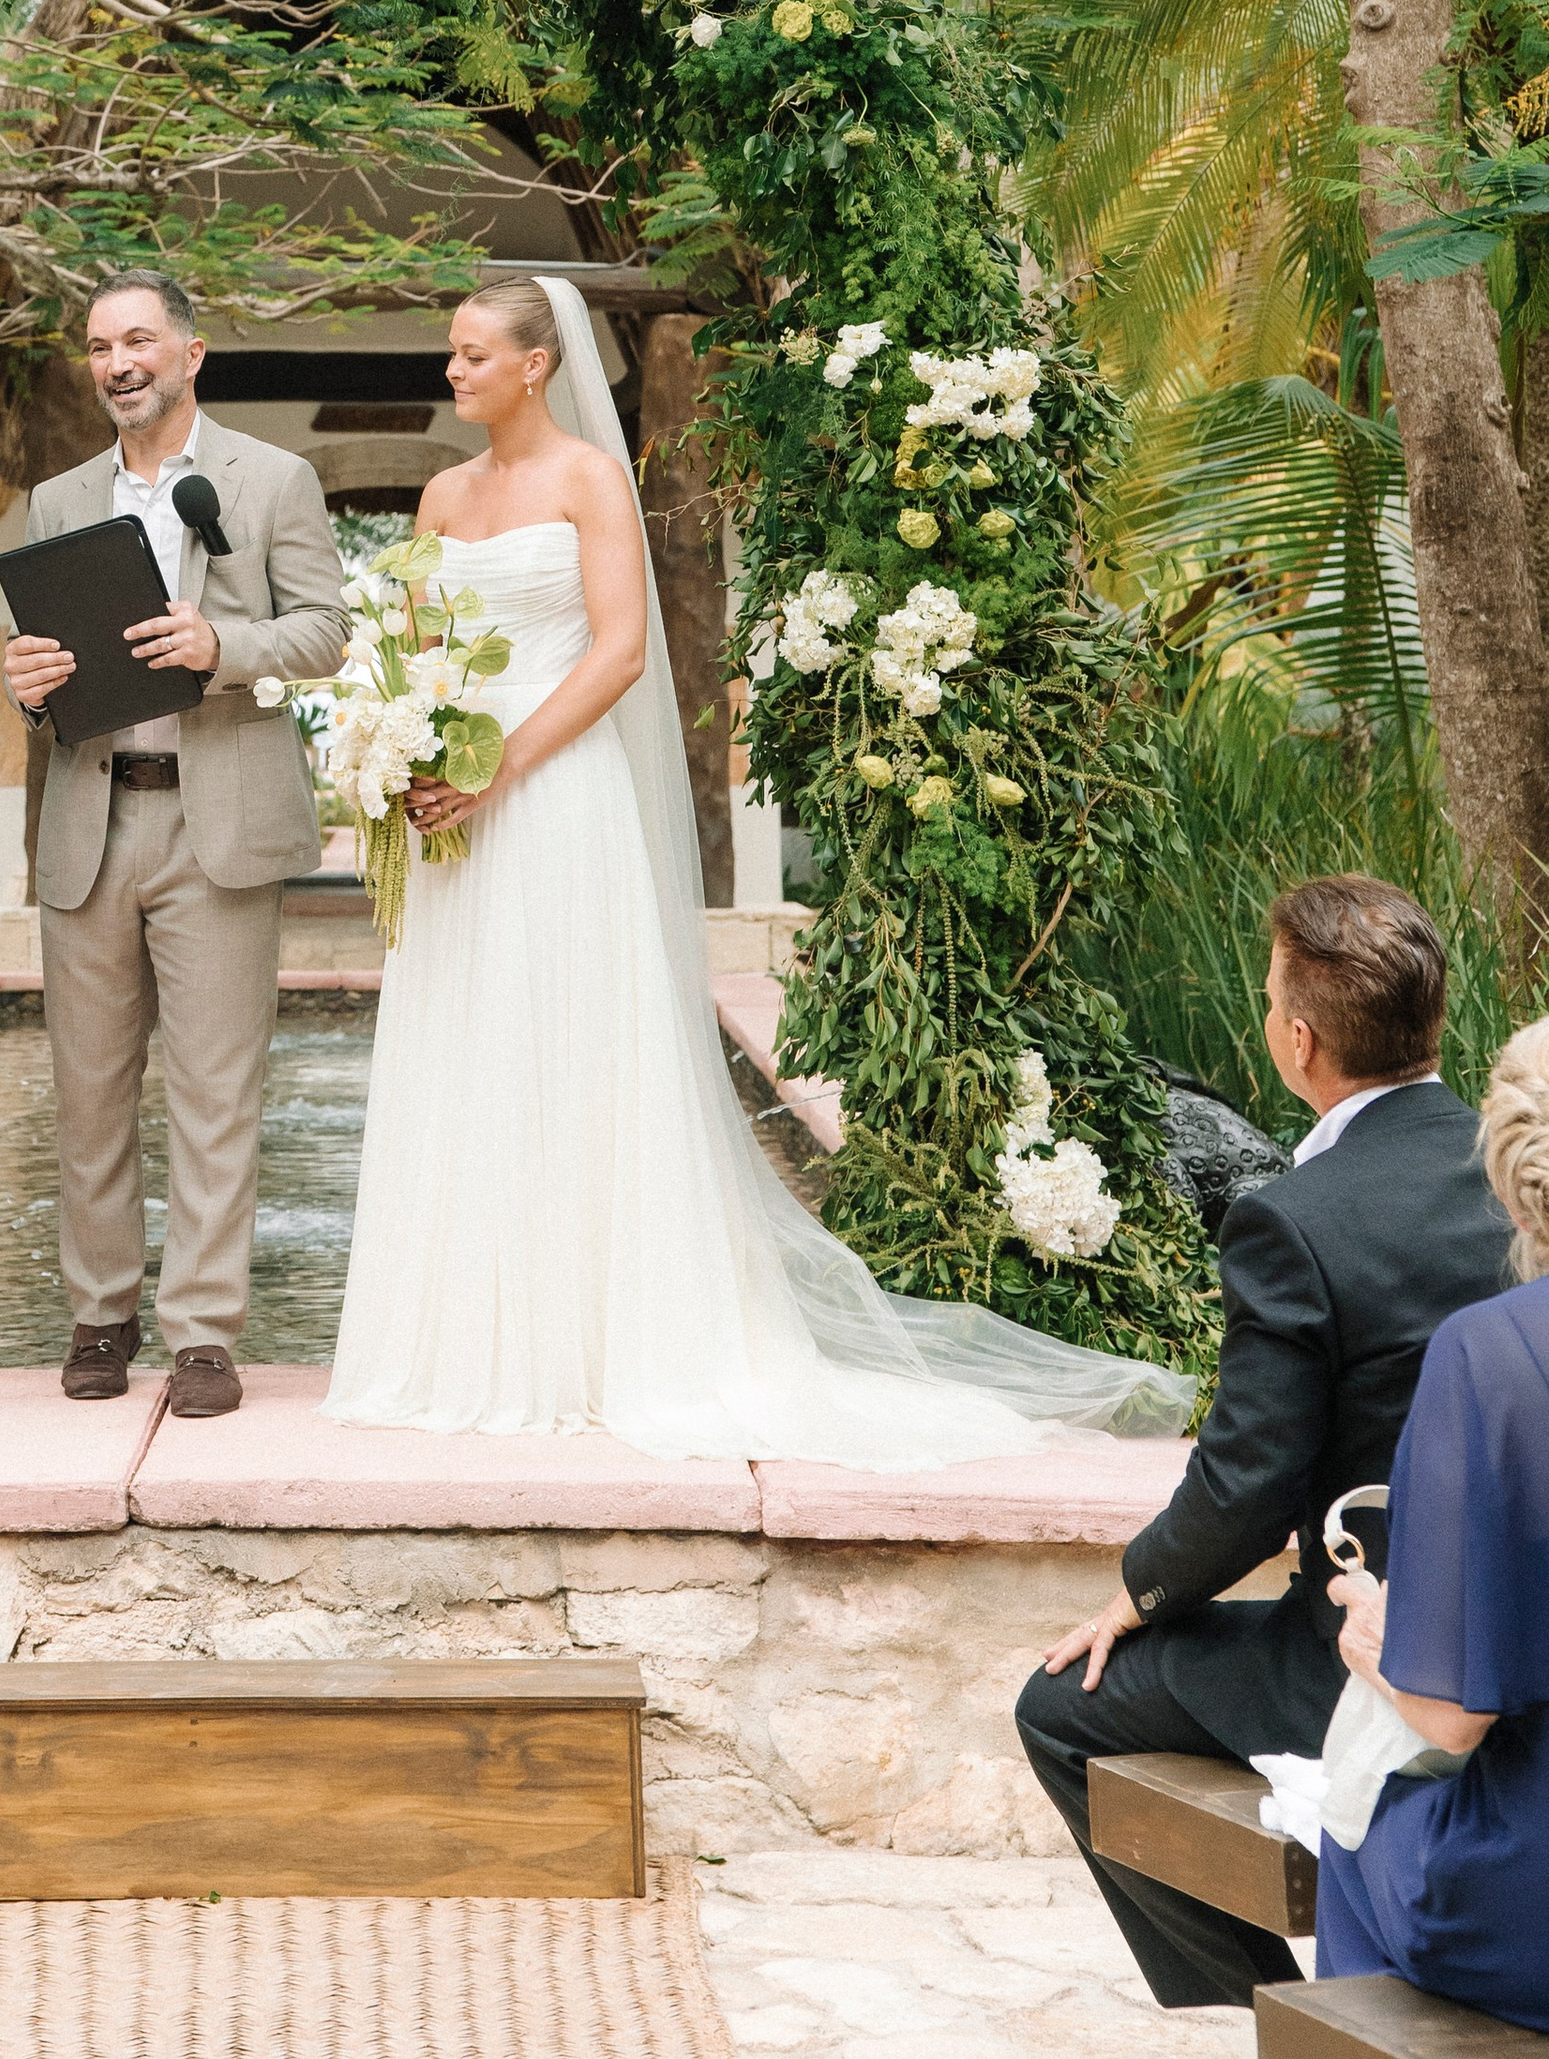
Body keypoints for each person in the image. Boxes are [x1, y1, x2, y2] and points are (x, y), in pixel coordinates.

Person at [326, 271, 1192, 1457]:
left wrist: (502, 763)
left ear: (535, 364)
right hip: (454, 808)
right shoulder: (437, 492)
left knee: (569, 1047)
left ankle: (591, 1339)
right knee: (470, 1042)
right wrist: (408, 742)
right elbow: (409, 643)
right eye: (450, 353)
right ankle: (468, 1339)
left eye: (472, 353)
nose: (451, 370)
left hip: (551, 792)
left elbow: (622, 650)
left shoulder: (588, 478)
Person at [1014, 874, 1510, 2012]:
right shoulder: (1509, 1167)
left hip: (1367, 1650)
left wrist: (1136, 1594)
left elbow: (1247, 1480)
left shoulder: (1293, 1216)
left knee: (1058, 1704)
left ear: (1296, 1038)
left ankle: (1255, 2013)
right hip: (1512, 1624)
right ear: (1431, 1021)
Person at [2, 270, 348, 1417]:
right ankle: (100, 1315)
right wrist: (29, 686)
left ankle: (203, 1333)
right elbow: (47, 682)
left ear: (190, 352)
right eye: (100, 344)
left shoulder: (272, 478)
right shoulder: (56, 500)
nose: (118, 361)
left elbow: (326, 632)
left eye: (139, 339)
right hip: (89, 822)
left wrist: (223, 643)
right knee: (89, 1090)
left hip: (222, 826)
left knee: (215, 1091)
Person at [1314, 1015, 1549, 2025]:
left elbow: (1455, 1713)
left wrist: (1377, 1639)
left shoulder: (1489, 1357)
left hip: (1531, 1896)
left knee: (1350, 1819)